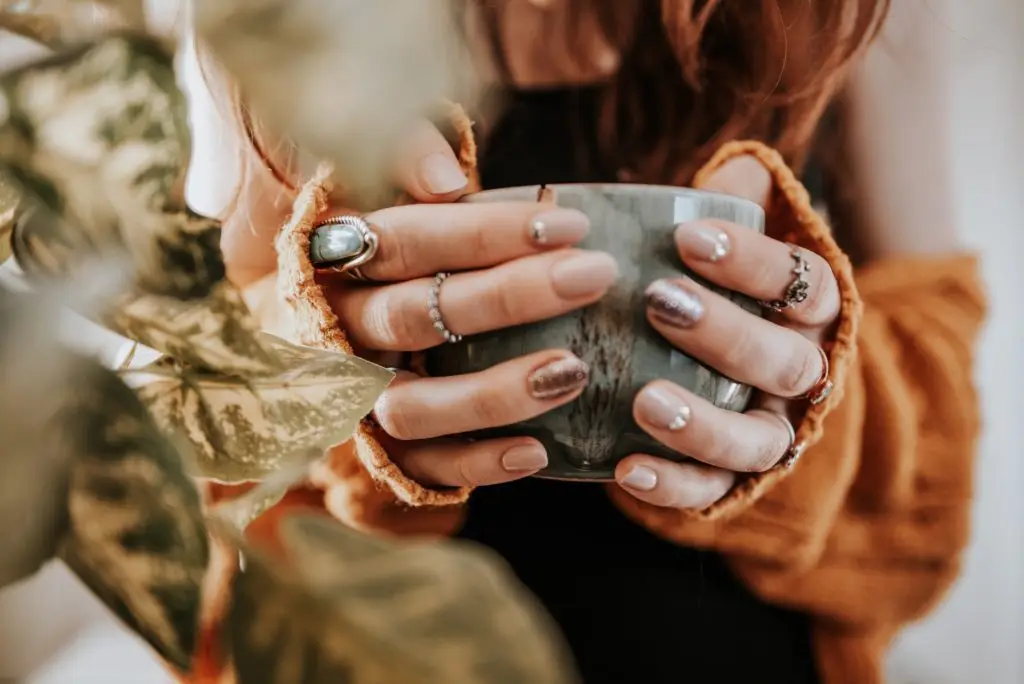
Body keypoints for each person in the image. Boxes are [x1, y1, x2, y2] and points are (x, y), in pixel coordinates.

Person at [188, 2, 986, 682]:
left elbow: (926, 513)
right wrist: (327, 350)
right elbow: (196, 446)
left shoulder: (848, 17)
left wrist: (800, 400)